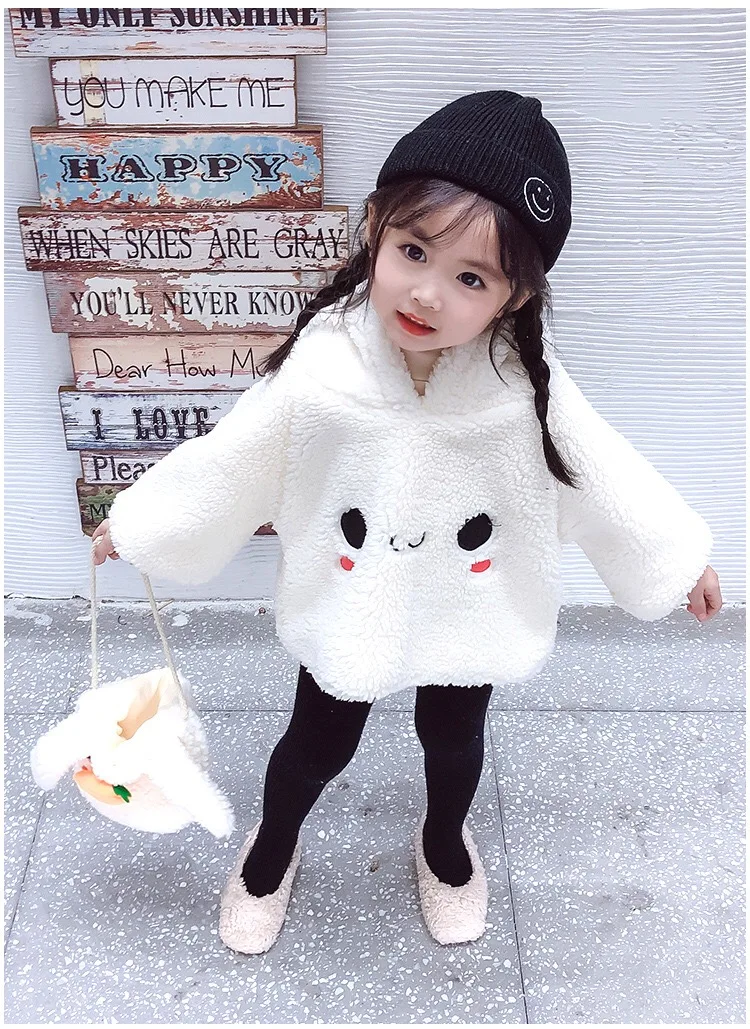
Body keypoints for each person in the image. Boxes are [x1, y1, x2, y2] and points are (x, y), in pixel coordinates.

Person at [92, 90, 722, 954]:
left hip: (469, 600)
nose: (427, 292)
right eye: (413, 250)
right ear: (375, 229)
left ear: (515, 295)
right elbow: (232, 457)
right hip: (352, 600)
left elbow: (601, 468)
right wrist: (140, 525)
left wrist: (676, 559)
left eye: (472, 278)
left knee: (454, 741)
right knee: (315, 746)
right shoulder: (324, 366)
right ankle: (272, 847)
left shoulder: (524, 384)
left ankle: (443, 844)